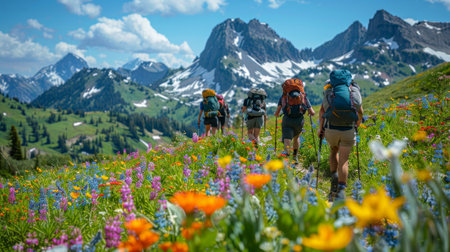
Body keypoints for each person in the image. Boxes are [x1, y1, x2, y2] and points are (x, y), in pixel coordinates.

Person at [318, 70, 363, 202]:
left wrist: (320, 129)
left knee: (333, 152)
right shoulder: (353, 92)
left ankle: (334, 183)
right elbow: (360, 112)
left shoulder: (329, 92)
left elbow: (322, 112)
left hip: (331, 129)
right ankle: (341, 192)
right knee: (344, 160)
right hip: (348, 129)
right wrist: (357, 125)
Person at [274, 78, 315, 164]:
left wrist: (277, 114)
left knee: (287, 138)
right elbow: (312, 112)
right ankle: (295, 157)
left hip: (287, 119)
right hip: (299, 120)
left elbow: (277, 112)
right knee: (296, 138)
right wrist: (308, 113)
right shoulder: (303, 96)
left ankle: (287, 156)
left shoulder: (284, 97)